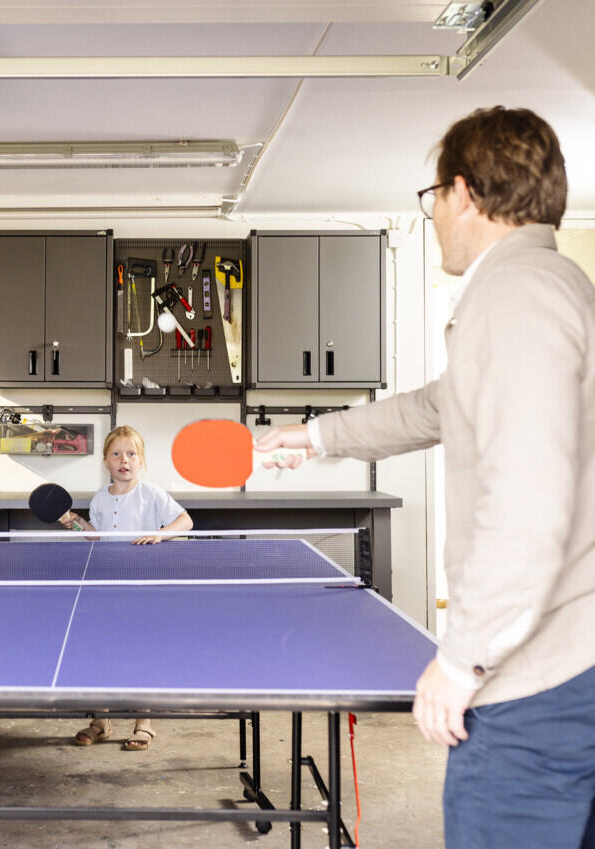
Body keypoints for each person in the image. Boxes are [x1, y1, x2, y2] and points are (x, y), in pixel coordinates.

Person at [256, 107, 595, 849]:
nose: (433, 213)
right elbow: (439, 405)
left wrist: (463, 658)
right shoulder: (552, 285)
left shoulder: (513, 297)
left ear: (464, 193)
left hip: (539, 685)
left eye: (434, 195)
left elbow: (528, 499)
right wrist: (315, 436)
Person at [59, 425, 193, 750]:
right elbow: (97, 535)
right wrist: (75, 523)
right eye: (116, 454)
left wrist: (160, 534)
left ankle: (143, 723)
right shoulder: (100, 498)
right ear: (106, 461)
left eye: (131, 454)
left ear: (141, 460)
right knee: (101, 649)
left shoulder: (152, 494)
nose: (124, 460)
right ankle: (101, 721)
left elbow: (186, 521)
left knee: (141, 650)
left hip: (141, 585)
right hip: (106, 584)